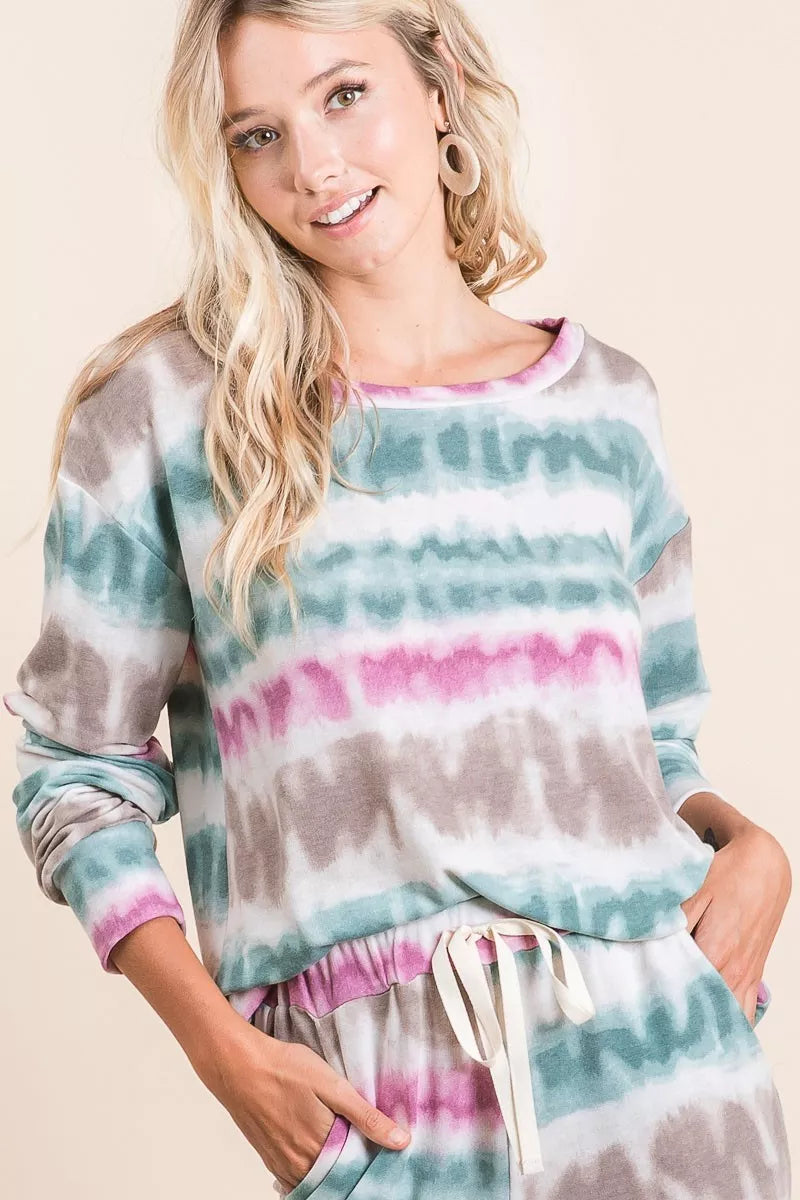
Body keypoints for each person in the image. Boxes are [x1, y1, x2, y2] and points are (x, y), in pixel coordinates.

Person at [3, 2, 792, 1197]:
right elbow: (74, 775)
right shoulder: (169, 411)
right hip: (386, 1109)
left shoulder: (604, 408)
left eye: (344, 95)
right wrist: (224, 1055)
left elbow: (650, 747)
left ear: (436, 83)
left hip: (665, 1087)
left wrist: (749, 850)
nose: (313, 166)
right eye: (257, 135)